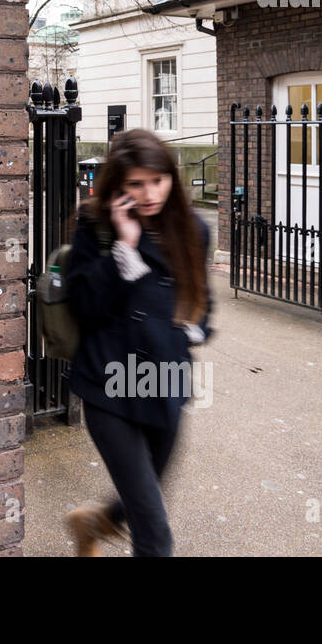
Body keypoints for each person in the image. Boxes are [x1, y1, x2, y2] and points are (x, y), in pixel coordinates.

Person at [62, 128, 213, 557]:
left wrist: (189, 328)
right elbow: (84, 306)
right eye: (136, 183)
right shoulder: (97, 226)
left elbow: (203, 305)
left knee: (141, 499)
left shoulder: (193, 230)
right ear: (119, 185)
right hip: (109, 386)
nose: (149, 193)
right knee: (155, 531)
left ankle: (93, 522)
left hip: (164, 383)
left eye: (158, 180)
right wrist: (124, 248)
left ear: (171, 177)